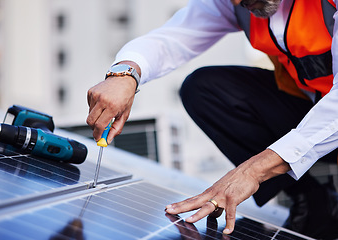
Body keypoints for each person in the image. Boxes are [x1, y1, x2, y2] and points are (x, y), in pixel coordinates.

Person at [86, 0, 338, 238]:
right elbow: (174, 37)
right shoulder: (235, 3)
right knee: (204, 89)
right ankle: (313, 201)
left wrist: (253, 171)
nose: (238, 2)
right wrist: (124, 74)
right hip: (310, 112)